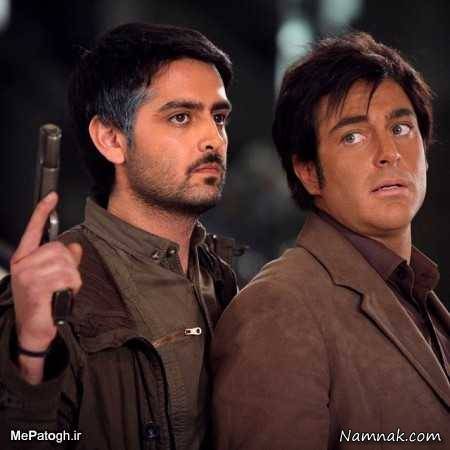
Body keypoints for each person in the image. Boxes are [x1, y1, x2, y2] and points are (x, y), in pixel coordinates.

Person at [0, 22, 238, 449]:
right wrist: (31, 356)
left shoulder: (221, 279)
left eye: (218, 117)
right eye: (181, 117)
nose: (213, 138)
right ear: (111, 138)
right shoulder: (48, 293)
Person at [212, 32, 449, 449]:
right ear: (308, 172)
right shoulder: (279, 308)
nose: (389, 152)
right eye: (353, 136)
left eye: (401, 128)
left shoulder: (419, 294)